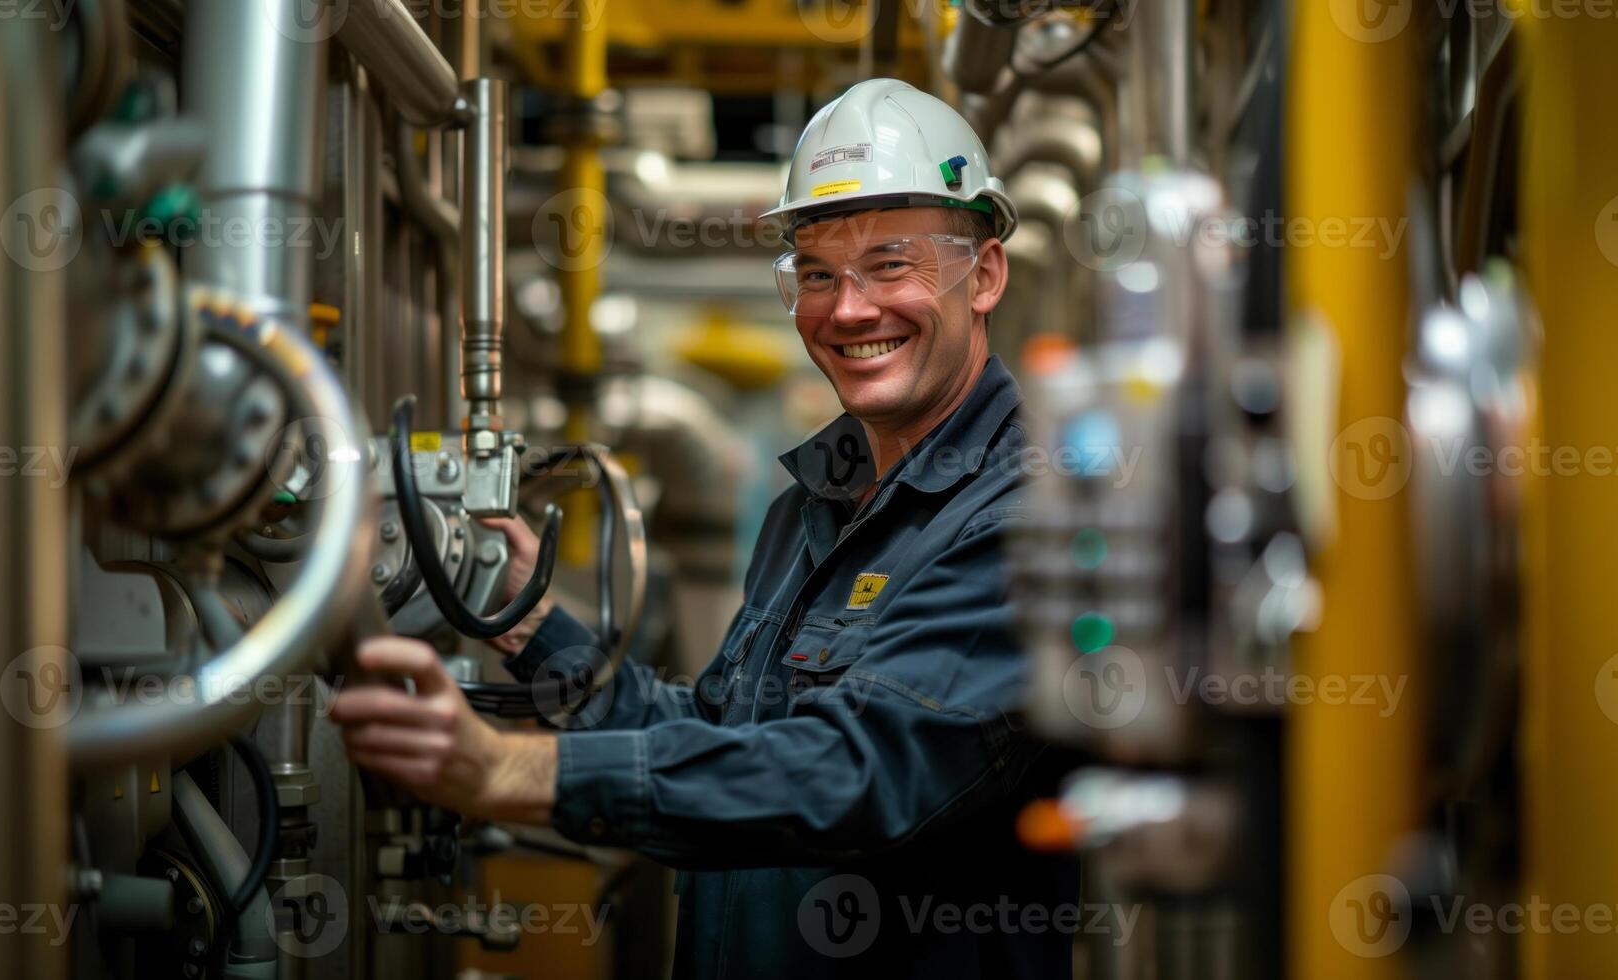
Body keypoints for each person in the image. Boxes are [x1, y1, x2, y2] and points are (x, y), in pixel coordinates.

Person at [330, 78, 1078, 977]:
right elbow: (727, 747)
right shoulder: (811, 507)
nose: (847, 310)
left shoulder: (1023, 521)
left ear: (983, 275)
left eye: (891, 264)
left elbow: (855, 775)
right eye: (815, 274)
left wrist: (508, 771)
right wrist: (528, 622)